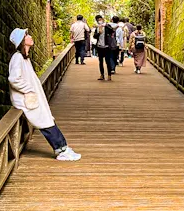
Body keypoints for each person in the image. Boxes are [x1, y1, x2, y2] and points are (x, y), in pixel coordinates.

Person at [8, 28, 81, 160]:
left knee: (47, 120)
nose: (30, 37)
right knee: (45, 122)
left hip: (31, 97)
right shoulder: (17, 58)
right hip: (26, 98)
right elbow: (14, 79)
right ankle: (61, 150)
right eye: (27, 35)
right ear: (22, 41)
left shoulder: (24, 58)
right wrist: (29, 89)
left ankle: (63, 148)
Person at [92, 15, 116, 81]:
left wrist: (106, 25)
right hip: (99, 46)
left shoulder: (107, 27)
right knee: (100, 61)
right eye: (98, 20)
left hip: (106, 47)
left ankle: (109, 75)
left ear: (102, 19)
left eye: (100, 19)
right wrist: (99, 33)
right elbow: (94, 36)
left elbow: (112, 30)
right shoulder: (97, 28)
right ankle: (102, 75)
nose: (99, 21)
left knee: (107, 61)